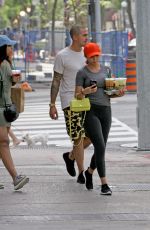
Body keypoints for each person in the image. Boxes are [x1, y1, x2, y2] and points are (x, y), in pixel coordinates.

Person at [75, 42, 125, 195]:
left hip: (106, 111)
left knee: (101, 147)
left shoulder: (106, 70)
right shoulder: (82, 73)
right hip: (90, 112)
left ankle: (89, 172)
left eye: (97, 55)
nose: (95, 58)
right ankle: (104, 184)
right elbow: (77, 95)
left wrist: (119, 92)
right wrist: (86, 90)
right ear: (87, 57)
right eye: (92, 56)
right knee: (100, 146)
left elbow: (111, 91)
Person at [49, 25, 91, 183]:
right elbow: (56, 81)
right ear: (75, 37)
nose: (87, 37)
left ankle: (70, 156)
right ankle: (81, 172)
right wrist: (52, 104)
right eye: (84, 35)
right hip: (70, 102)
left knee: (93, 136)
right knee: (78, 137)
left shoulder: (87, 54)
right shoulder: (62, 56)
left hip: (87, 100)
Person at [0, 35, 29, 190]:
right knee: (4, 142)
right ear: (3, 48)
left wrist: (14, 79)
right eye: (9, 46)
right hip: (2, 110)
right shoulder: (4, 64)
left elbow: (8, 84)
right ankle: (15, 178)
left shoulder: (6, 64)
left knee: (2, 143)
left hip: (5, 109)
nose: (12, 49)